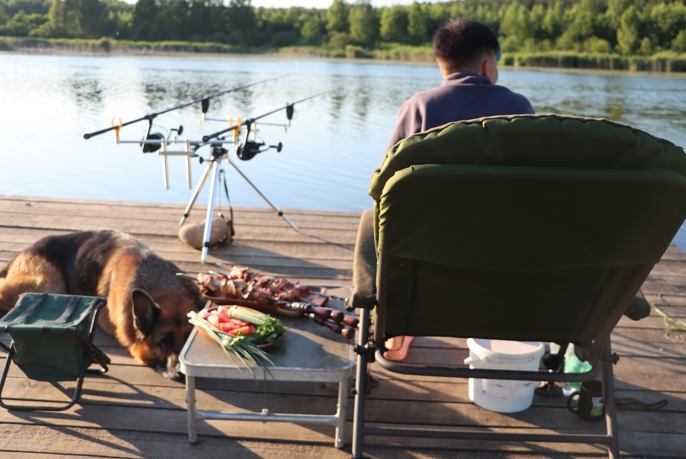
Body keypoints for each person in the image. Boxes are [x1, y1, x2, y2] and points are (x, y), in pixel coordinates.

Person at [384, 18, 535, 361]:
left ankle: (399, 333)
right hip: (500, 264)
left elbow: (386, 189)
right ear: (487, 64)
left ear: (441, 64)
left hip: (425, 267)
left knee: (381, 228)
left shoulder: (419, 107)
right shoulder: (520, 109)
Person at [386, 18, 535, 151]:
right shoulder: (518, 106)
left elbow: (388, 174)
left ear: (442, 65)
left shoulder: (418, 107)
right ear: (487, 67)